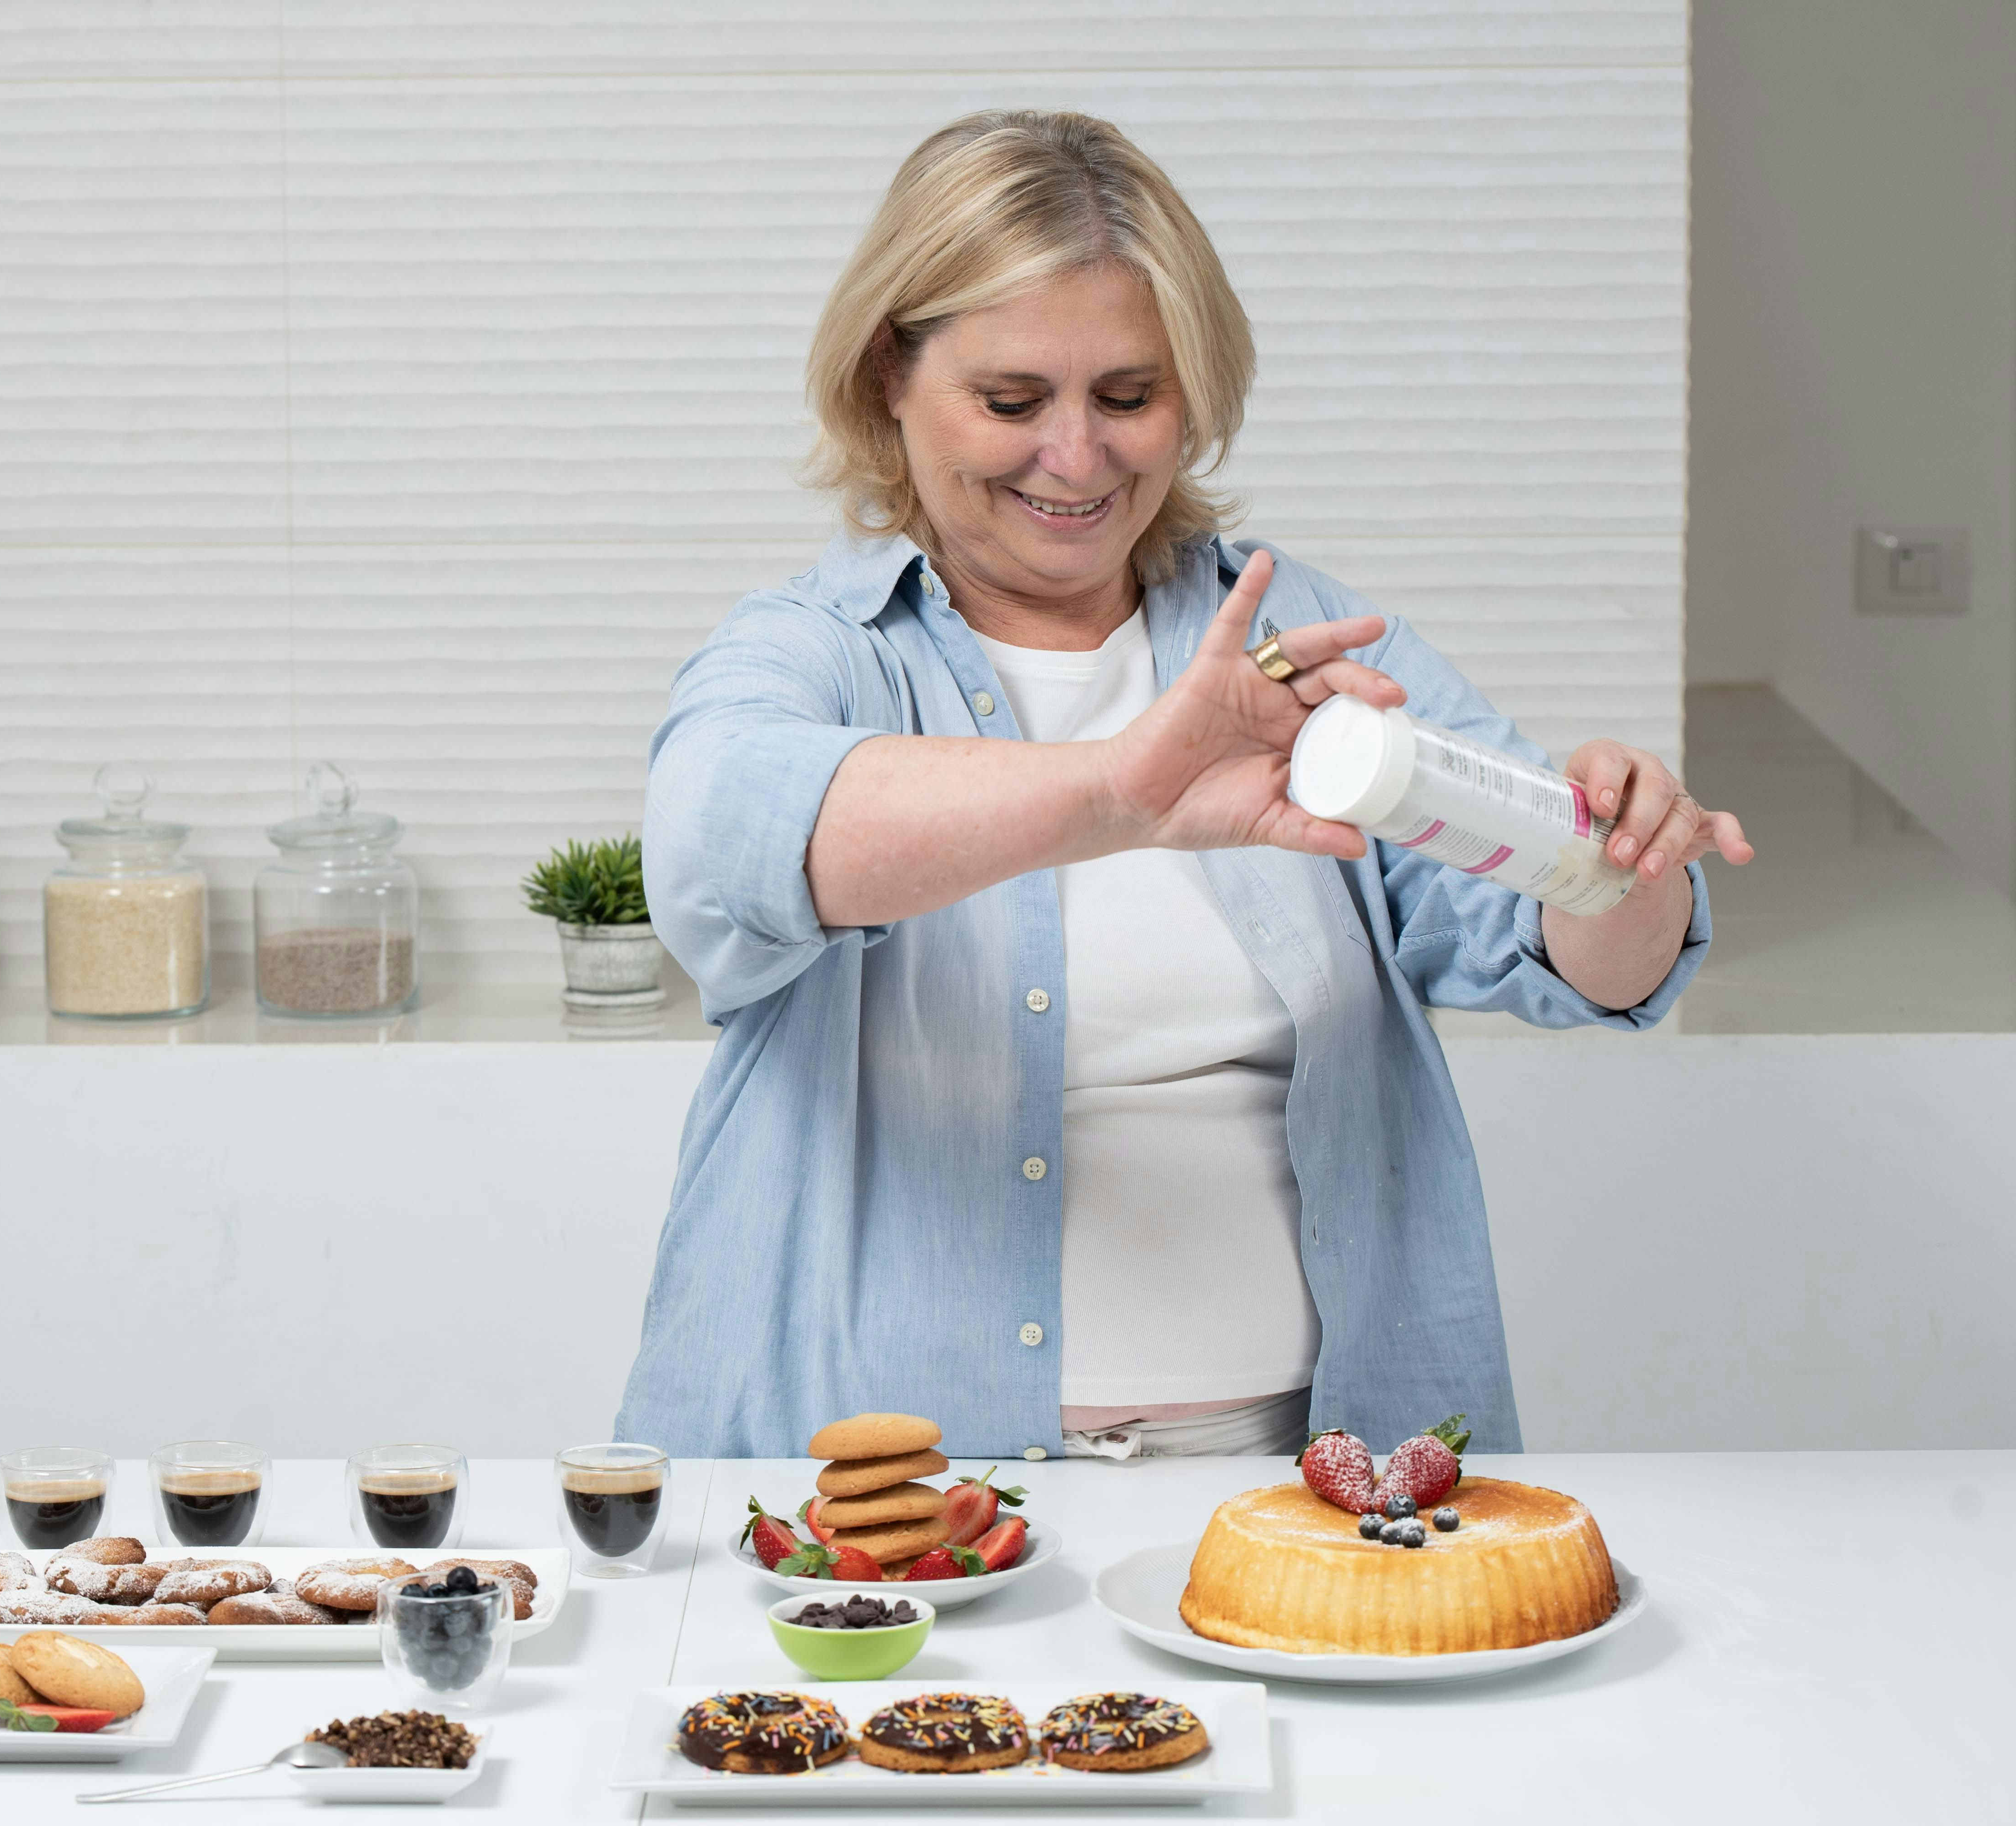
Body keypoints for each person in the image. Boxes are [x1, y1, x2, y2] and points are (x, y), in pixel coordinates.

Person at [614, 110, 1751, 1463]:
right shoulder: (812, 653)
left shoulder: (1298, 633)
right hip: (891, 1508)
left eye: (1130, 396)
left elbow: (1581, 961)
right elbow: (729, 845)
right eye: (1013, 401)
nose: (1080, 458)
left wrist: (1618, 856)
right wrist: (1126, 789)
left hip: (1302, 1482)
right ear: (887, 382)